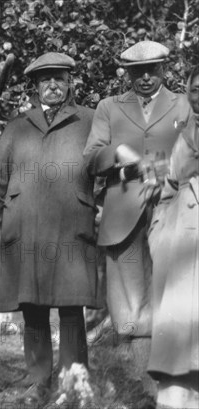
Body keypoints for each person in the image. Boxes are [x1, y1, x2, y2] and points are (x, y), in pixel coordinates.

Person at [0, 52, 102, 405]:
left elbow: (108, 169)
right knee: (32, 308)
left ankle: (73, 381)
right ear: (35, 87)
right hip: (26, 229)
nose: (53, 85)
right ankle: (37, 382)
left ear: (70, 83)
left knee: (71, 308)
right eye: (45, 80)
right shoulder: (16, 126)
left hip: (71, 229)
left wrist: (106, 207)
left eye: (59, 78)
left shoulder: (91, 121)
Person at [82, 41, 192, 370]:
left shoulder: (184, 106)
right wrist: (118, 155)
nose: (145, 77)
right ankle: (130, 374)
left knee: (174, 291)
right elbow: (89, 160)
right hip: (121, 211)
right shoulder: (108, 108)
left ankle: (172, 376)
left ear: (163, 69)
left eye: (152, 70)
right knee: (126, 305)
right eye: (137, 72)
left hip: (173, 209)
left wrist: (164, 168)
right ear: (127, 73)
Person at [146, 66, 199, 409]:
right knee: (179, 333)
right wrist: (159, 232)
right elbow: (166, 188)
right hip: (179, 242)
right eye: (195, 90)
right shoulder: (185, 134)